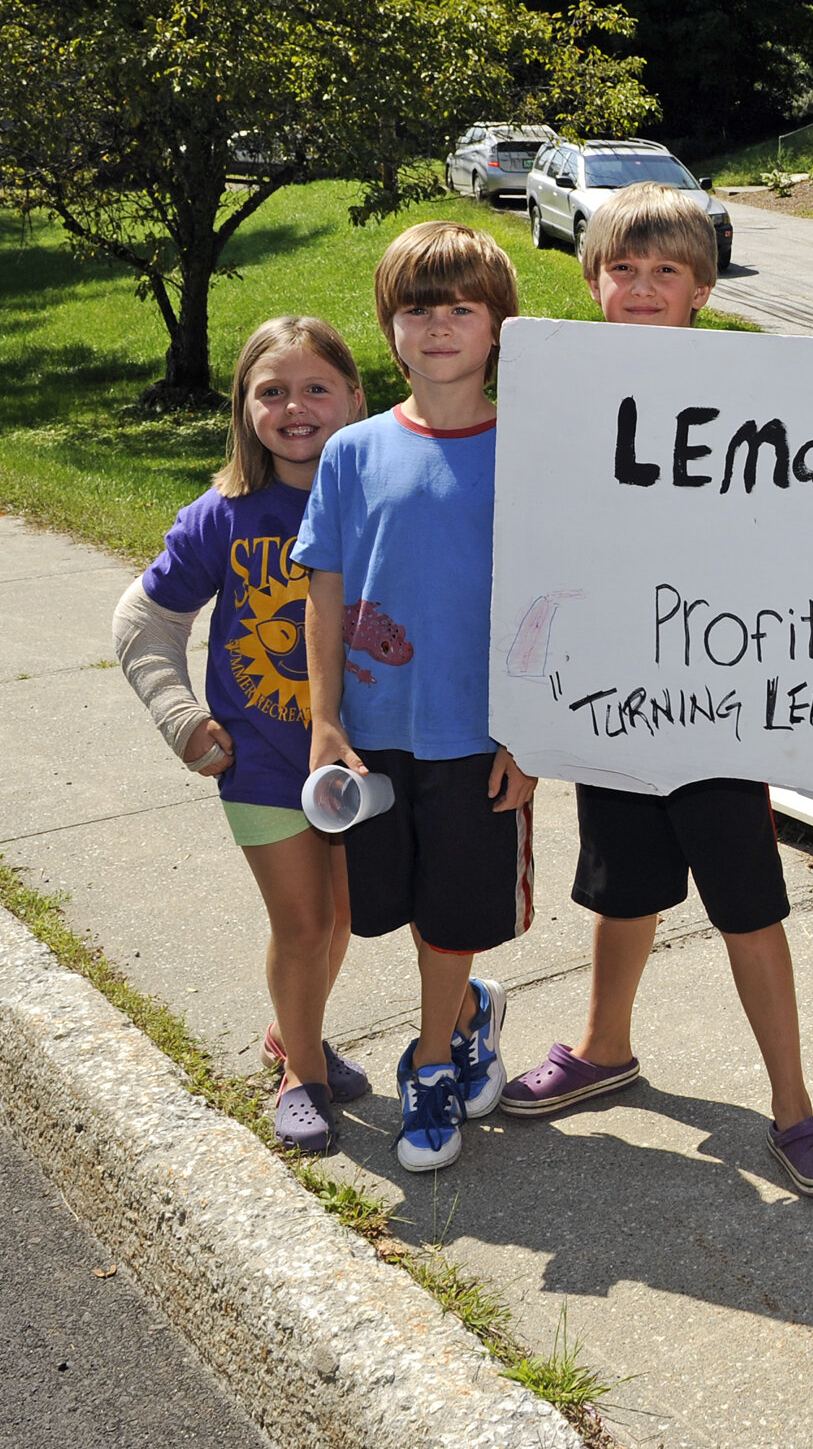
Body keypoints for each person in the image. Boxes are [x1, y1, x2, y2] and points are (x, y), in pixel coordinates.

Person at [496, 183, 813, 1198]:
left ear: (701, 289)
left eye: (667, 273)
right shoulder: (556, 393)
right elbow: (534, 545)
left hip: (718, 705)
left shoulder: (760, 384)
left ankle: (792, 1103)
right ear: (593, 279)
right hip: (611, 700)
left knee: (747, 900)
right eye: (624, 270)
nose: (642, 288)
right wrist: (530, 705)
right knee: (618, 884)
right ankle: (606, 1044)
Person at [292, 221, 537, 1174]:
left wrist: (532, 730)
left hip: (481, 734)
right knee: (388, 904)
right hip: (374, 735)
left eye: (461, 310)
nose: (438, 327)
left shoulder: (529, 451)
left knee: (455, 914)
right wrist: (323, 718)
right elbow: (324, 589)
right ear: (390, 329)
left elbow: (554, 599)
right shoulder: (351, 452)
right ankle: (470, 1009)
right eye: (416, 310)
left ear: (498, 328)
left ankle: (431, 1061)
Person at [113, 315, 370, 1154]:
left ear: (354, 398)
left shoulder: (379, 500)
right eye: (273, 392)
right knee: (300, 924)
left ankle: (292, 1035)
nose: (295, 407)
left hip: (359, 759)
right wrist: (180, 718)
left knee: (340, 916)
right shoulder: (222, 514)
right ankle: (302, 1073)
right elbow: (144, 620)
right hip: (258, 758)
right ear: (244, 407)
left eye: (315, 389)